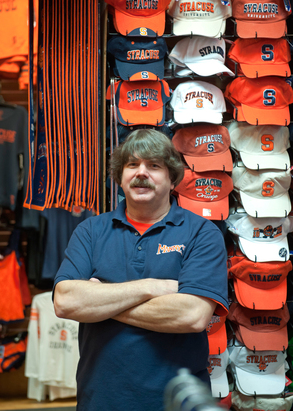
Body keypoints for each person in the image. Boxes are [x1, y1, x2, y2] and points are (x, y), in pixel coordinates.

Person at [53, 128, 229, 411]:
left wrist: (100, 303)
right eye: (132, 164)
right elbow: (64, 302)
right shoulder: (90, 231)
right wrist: (151, 287)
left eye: (154, 165)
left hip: (177, 403)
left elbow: (192, 315)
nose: (141, 172)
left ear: (172, 179)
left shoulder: (202, 233)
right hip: (101, 400)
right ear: (120, 178)